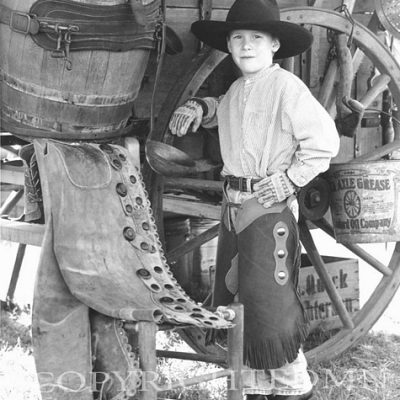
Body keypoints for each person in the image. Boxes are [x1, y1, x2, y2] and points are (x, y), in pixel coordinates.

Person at [168, 0, 340, 399]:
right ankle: (254, 383)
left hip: (268, 210)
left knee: (269, 300)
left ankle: (293, 386)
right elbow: (227, 111)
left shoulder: (286, 88)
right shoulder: (237, 89)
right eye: (238, 38)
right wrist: (200, 106)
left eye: (256, 38)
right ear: (228, 45)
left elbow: (324, 143)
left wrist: (289, 181)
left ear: (274, 45)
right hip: (234, 208)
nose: (246, 46)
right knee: (238, 294)